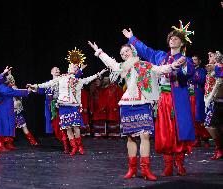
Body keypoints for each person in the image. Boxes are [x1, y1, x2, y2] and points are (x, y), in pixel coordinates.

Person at [88, 40, 183, 180]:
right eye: (122, 53)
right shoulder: (122, 67)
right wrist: (99, 52)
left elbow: (160, 69)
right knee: (130, 137)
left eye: (126, 51)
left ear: (132, 51)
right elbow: (110, 62)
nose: (124, 54)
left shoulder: (145, 65)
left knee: (145, 135)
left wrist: (173, 65)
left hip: (143, 103)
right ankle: (132, 169)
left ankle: (145, 169)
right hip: (128, 104)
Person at [122, 21, 195, 176]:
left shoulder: (186, 60)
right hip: (163, 99)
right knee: (165, 131)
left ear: (182, 43)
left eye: (176, 38)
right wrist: (132, 38)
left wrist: (181, 66)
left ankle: (180, 162)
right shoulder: (160, 56)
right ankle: (168, 164)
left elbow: (186, 76)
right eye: (171, 38)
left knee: (178, 130)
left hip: (179, 99)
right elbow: (145, 50)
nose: (173, 40)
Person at [28, 48, 107, 156]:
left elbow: (90, 78)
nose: (74, 68)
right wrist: (35, 86)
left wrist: (100, 73)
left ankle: (80, 147)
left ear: (76, 70)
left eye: (76, 67)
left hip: (74, 105)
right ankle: (73, 147)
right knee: (67, 128)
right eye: (72, 66)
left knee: (76, 127)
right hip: (63, 106)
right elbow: (48, 84)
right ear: (69, 67)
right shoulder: (61, 78)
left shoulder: (79, 81)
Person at [0, 73, 35, 150]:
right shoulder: (1, 87)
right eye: (8, 79)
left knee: (10, 126)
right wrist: (27, 91)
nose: (10, 81)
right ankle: (1, 145)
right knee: (3, 126)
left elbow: (16, 91)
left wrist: (28, 90)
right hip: (2, 109)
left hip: (10, 109)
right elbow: (15, 92)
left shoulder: (8, 87)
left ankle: (9, 143)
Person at [204, 51, 223, 160]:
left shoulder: (219, 67)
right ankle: (219, 148)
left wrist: (210, 97)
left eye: (211, 56)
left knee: (209, 125)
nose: (209, 57)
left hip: (216, 100)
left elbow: (218, 83)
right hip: (212, 100)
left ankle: (219, 148)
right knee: (217, 126)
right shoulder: (213, 67)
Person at [189, 55, 210, 147]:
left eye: (195, 60)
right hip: (189, 95)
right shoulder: (188, 70)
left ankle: (205, 138)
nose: (193, 61)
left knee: (199, 117)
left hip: (198, 94)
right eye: (192, 60)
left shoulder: (201, 70)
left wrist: (193, 77)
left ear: (199, 61)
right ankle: (196, 138)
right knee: (192, 117)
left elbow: (202, 81)